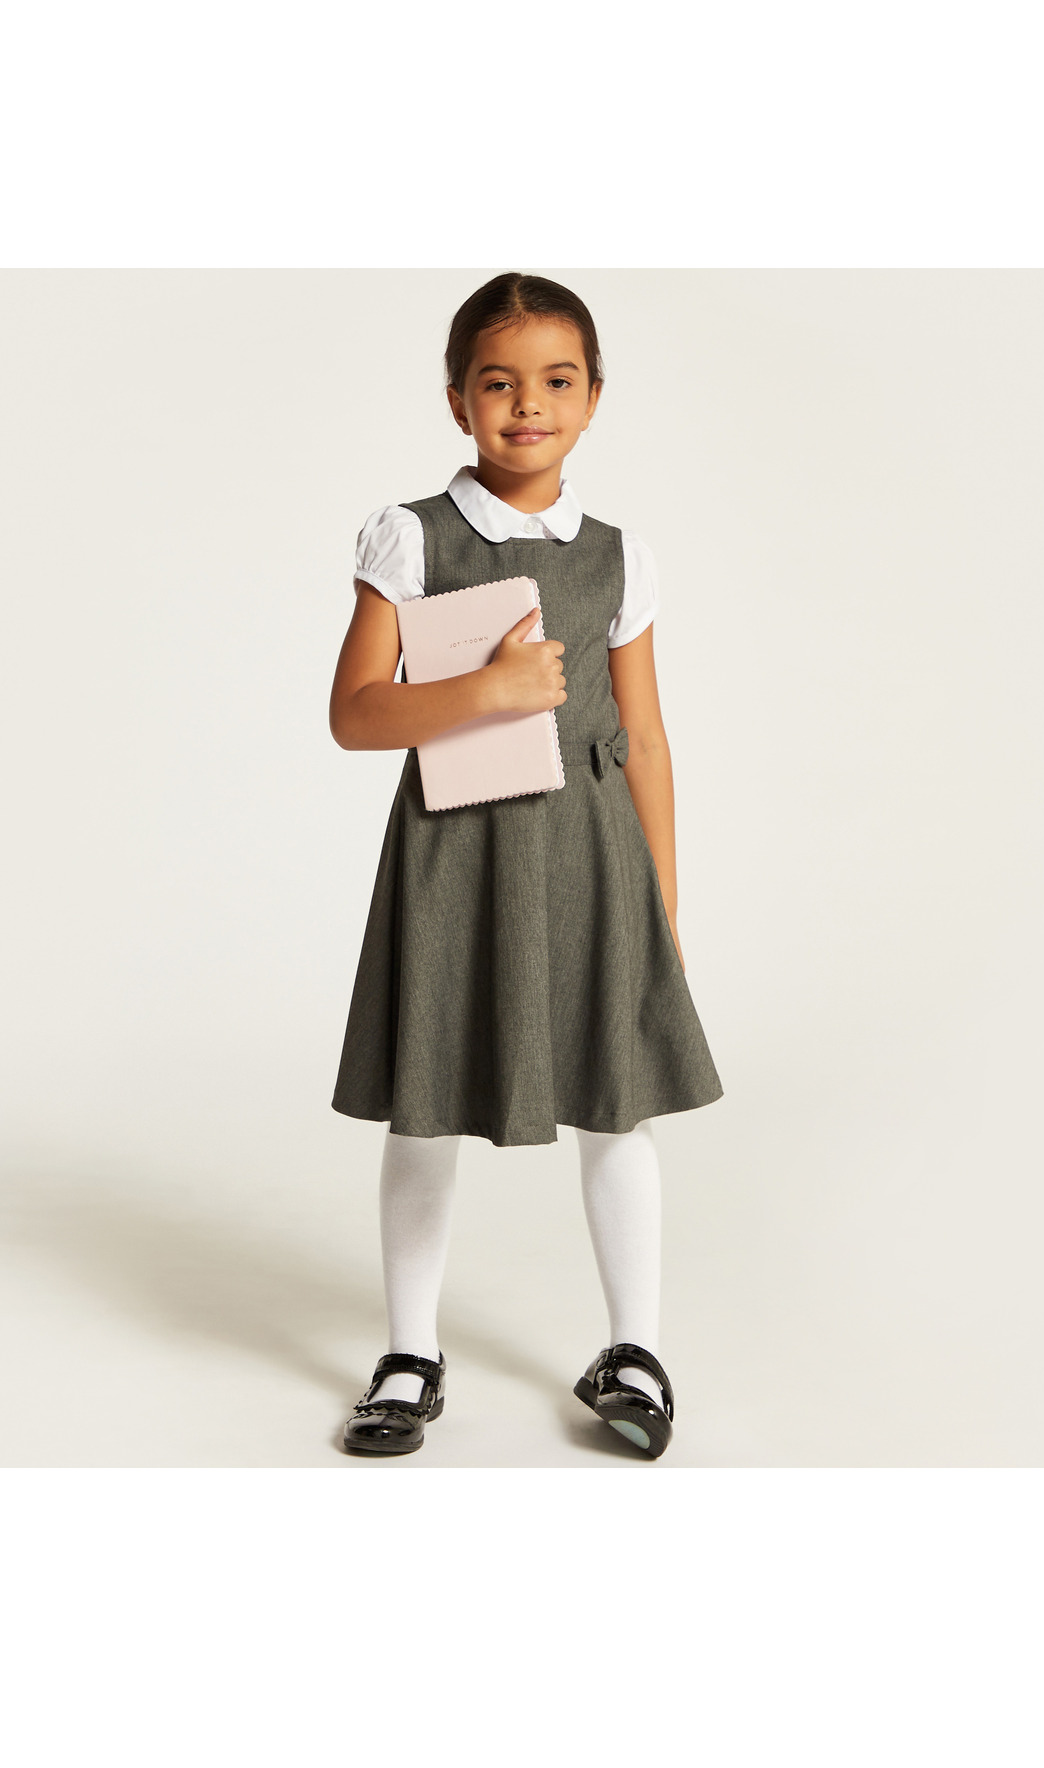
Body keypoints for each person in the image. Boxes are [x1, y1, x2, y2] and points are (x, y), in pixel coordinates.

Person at [328, 272, 723, 1460]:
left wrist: (662, 899)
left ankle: (636, 1348)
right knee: (426, 1104)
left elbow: (645, 736)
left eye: (557, 381)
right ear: (458, 400)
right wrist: (486, 691)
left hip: (592, 859)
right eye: (498, 383)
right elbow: (355, 713)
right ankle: (410, 1352)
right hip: (456, 854)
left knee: (618, 1103)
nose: (528, 405)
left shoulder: (618, 556)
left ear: (595, 397)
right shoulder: (414, 536)